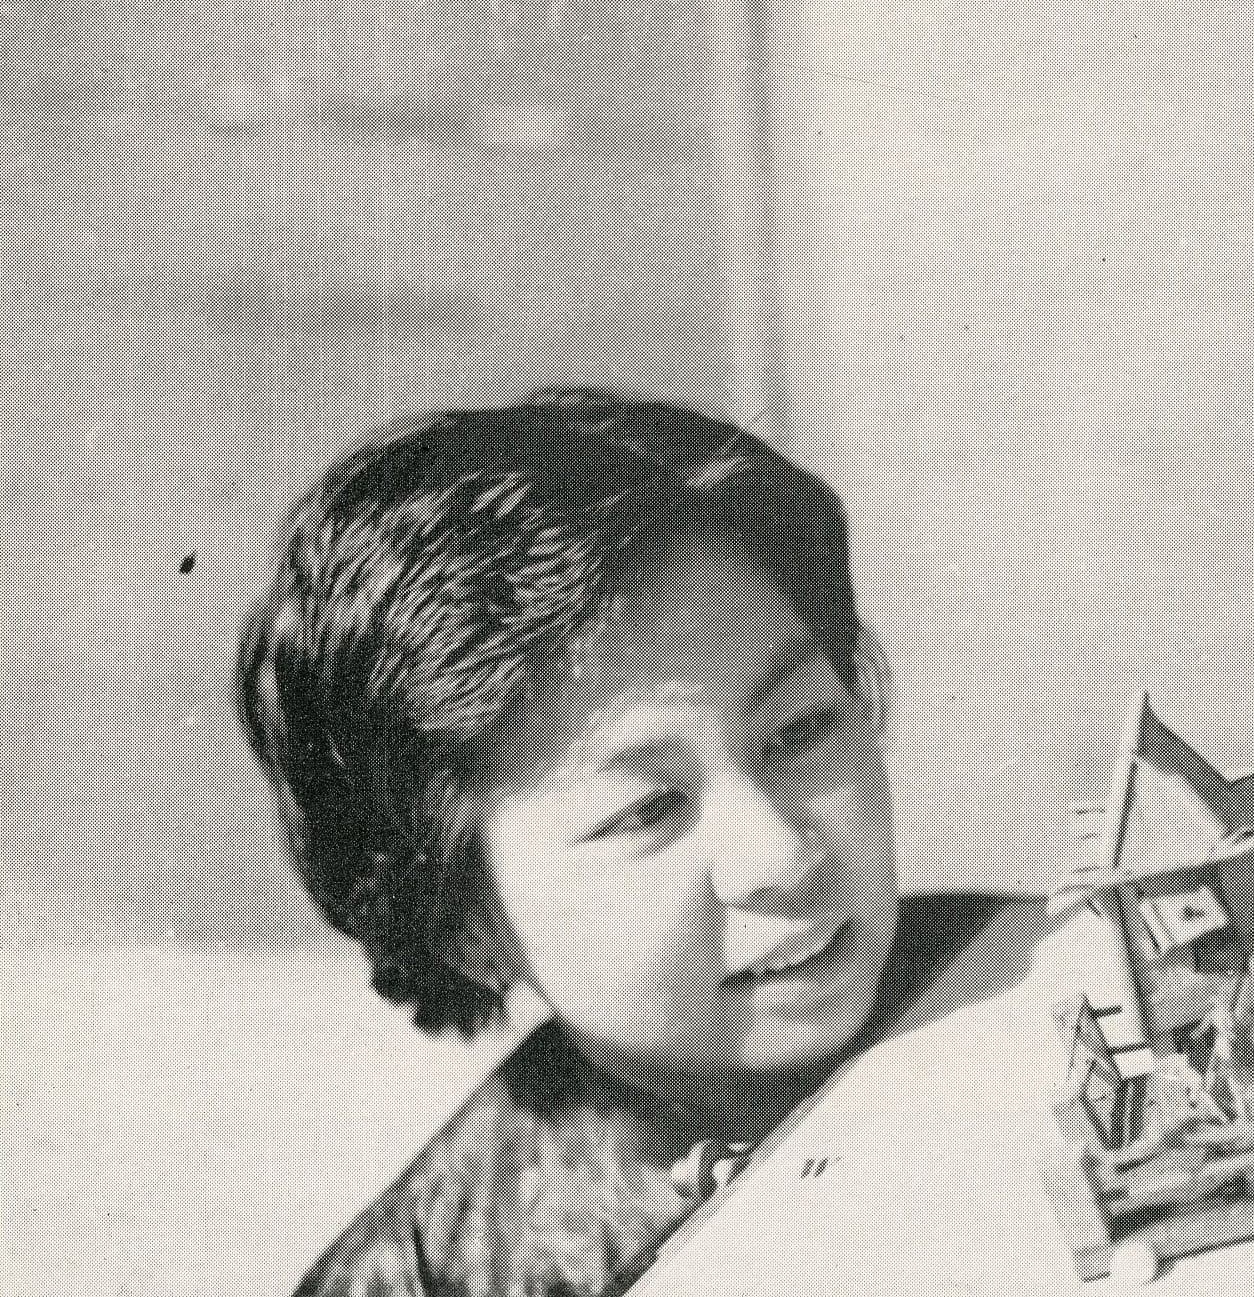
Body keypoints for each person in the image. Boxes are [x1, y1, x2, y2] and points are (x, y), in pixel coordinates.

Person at [236, 388, 1031, 1297]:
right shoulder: (425, 1281)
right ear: (463, 925)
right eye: (647, 809)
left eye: (800, 729)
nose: (781, 855)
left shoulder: (1047, 971)